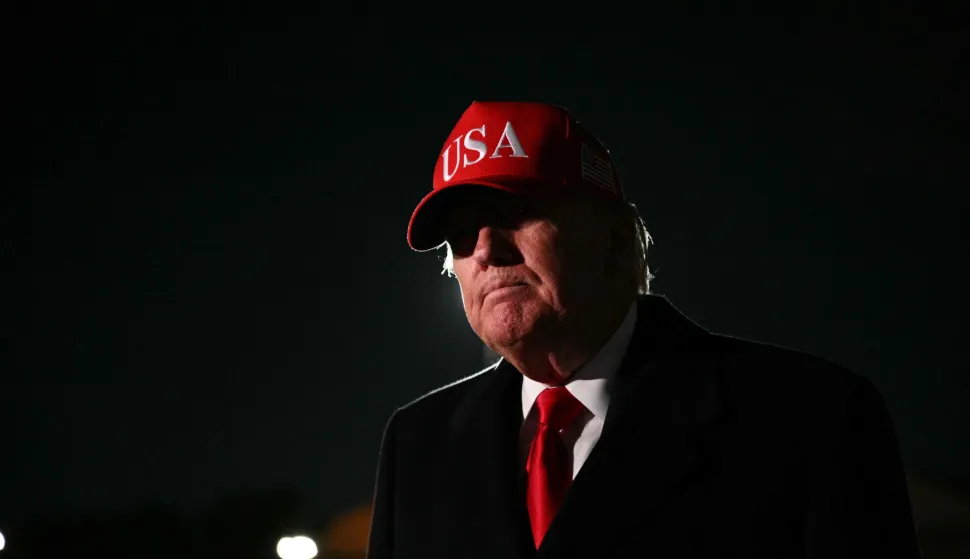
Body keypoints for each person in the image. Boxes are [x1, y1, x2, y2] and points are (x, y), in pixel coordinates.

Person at [366, 101, 922, 559]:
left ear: (612, 238)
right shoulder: (417, 442)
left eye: (516, 212)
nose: (485, 249)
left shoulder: (811, 417)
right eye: (461, 236)